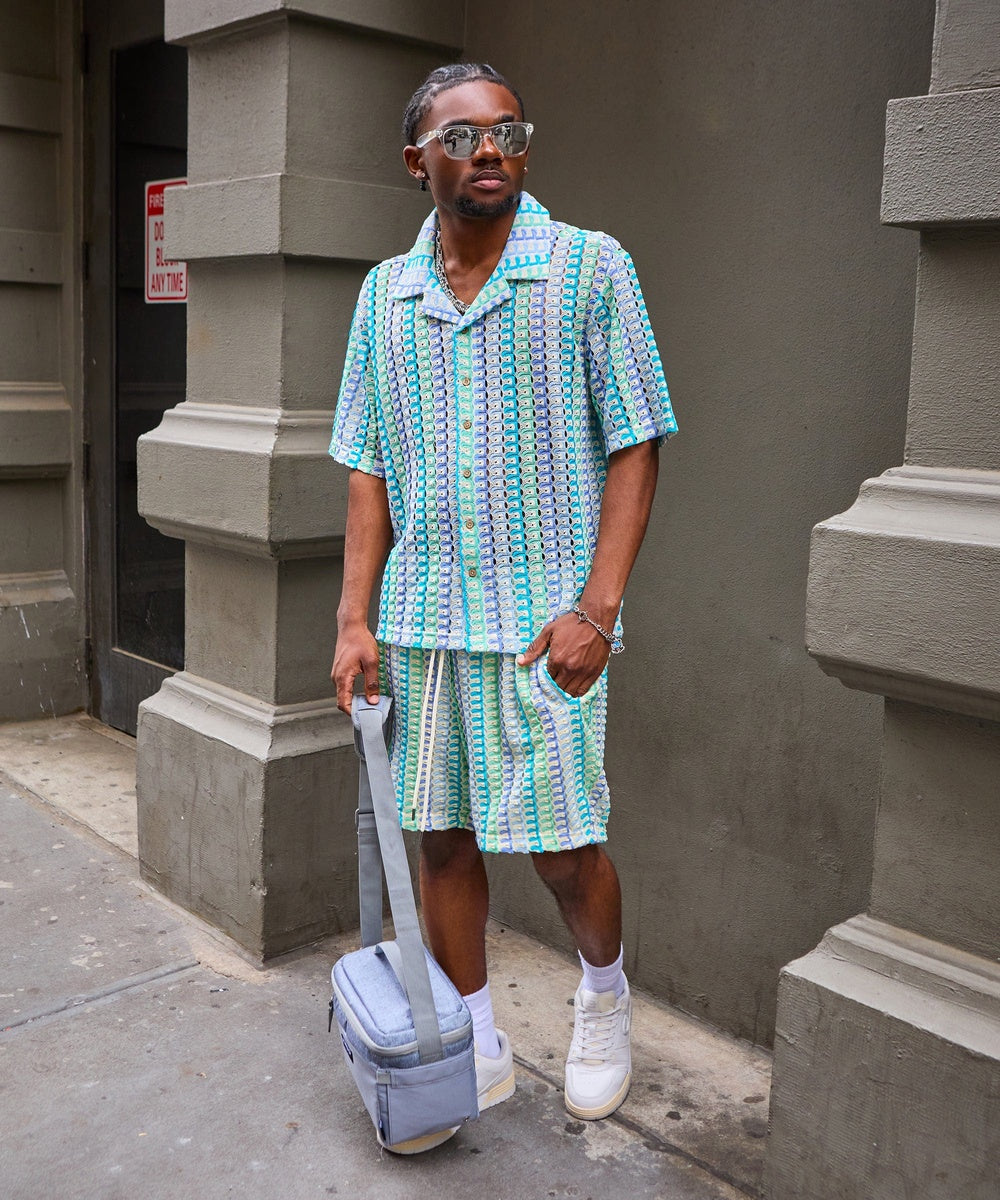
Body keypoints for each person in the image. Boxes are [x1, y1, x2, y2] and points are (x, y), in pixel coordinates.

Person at [330, 62, 676, 1151]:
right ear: (416, 160)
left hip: (545, 629)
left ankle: (604, 997)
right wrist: (353, 619)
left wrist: (598, 608)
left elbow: (637, 437)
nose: (490, 149)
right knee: (436, 839)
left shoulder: (588, 269)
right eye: (463, 134)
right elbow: (367, 469)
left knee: (565, 846)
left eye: (508, 131)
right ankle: (470, 1030)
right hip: (424, 622)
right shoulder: (384, 295)